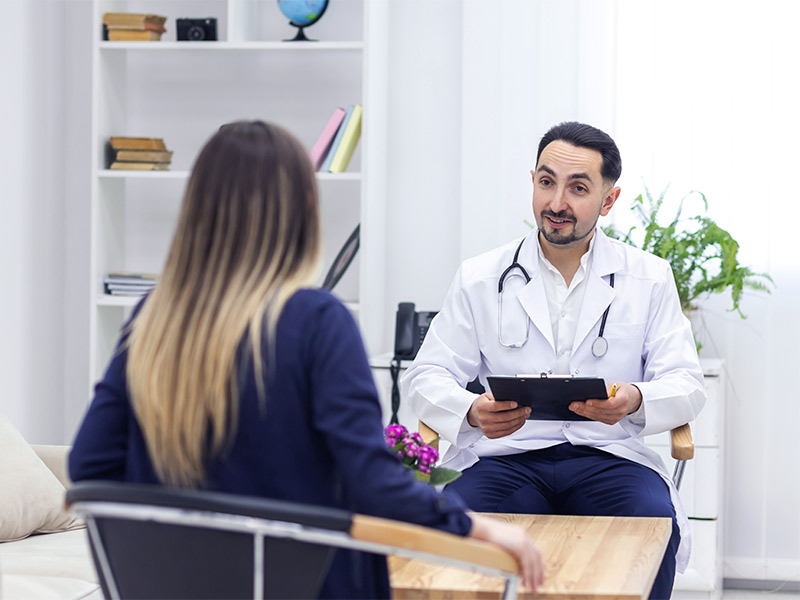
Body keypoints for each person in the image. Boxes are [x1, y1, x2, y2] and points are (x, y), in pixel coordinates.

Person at [68, 121, 543, 599]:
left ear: (196, 211)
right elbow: (372, 481)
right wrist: (475, 528)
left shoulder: (153, 319)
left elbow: (91, 465)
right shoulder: (317, 320)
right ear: (303, 210)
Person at [401, 121, 706, 599]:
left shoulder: (647, 278)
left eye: (578, 188)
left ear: (608, 200)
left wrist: (634, 399)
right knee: (459, 525)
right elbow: (427, 375)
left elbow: (686, 381)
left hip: (609, 457)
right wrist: (471, 410)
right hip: (506, 459)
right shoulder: (481, 277)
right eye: (546, 182)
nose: (556, 203)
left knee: (652, 523)